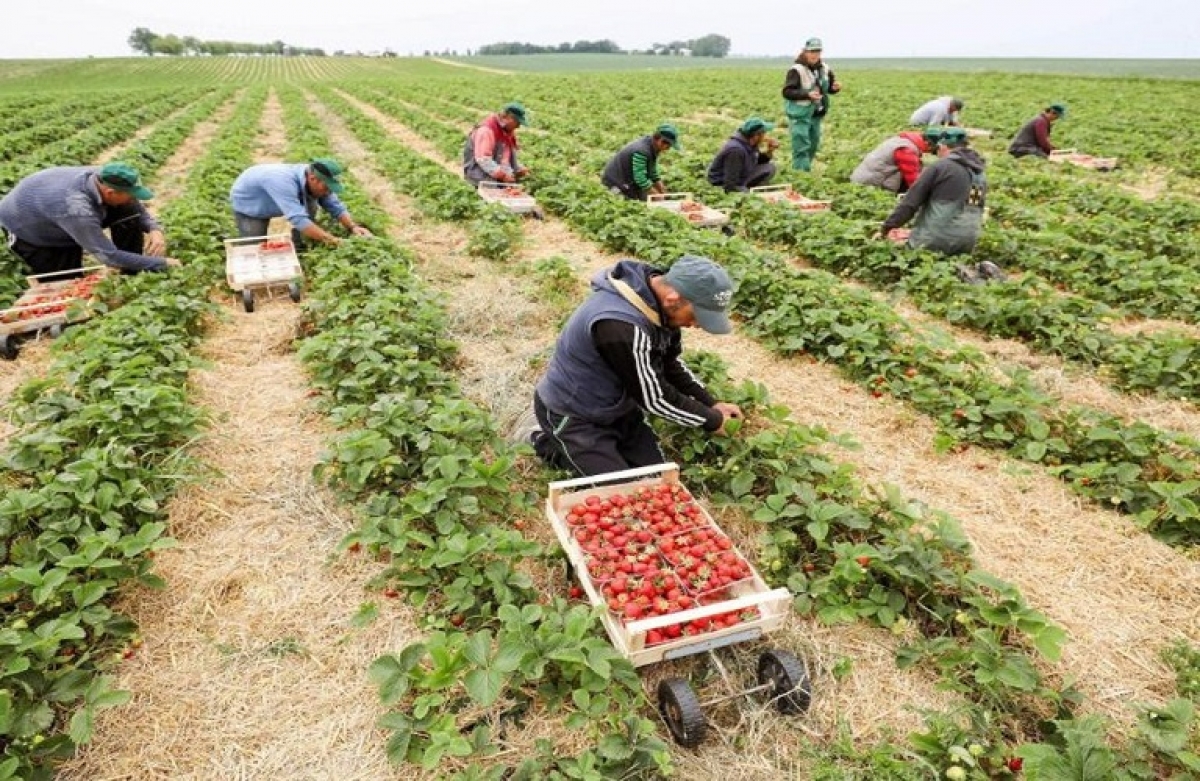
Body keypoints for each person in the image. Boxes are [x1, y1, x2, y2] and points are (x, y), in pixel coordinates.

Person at [530, 255, 744, 477]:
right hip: (575, 414)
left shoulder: (659, 308)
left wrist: (712, 403)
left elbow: (669, 365)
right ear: (673, 299)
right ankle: (548, 441)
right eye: (696, 316)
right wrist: (712, 421)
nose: (696, 324)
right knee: (620, 493)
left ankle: (596, 452)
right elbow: (654, 397)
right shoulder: (619, 325)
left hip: (617, 410)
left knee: (657, 480)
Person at [0, 162, 180, 275]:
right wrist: (161, 263)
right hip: (31, 230)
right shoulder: (77, 210)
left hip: (55, 210)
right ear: (110, 193)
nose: (135, 198)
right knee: (64, 283)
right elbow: (109, 257)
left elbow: (135, 207)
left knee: (128, 210)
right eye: (131, 194)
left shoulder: (103, 176)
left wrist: (154, 229)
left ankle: (132, 273)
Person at [879, 128, 990, 259]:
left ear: (943, 146)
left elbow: (910, 203)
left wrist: (887, 228)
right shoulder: (980, 174)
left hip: (933, 242)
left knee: (898, 249)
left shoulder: (941, 167)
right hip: (967, 243)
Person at [229, 158, 372, 247]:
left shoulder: (315, 179)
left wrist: (353, 227)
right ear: (312, 178)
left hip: (281, 195)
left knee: (311, 205)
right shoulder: (282, 181)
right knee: (254, 248)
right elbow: (298, 219)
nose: (329, 191)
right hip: (251, 204)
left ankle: (300, 246)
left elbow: (335, 206)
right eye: (327, 187)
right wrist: (335, 241)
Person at [781, 37, 841, 172]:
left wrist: (835, 88)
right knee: (801, 146)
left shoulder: (825, 68)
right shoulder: (796, 70)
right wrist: (807, 94)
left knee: (813, 145)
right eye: (812, 51)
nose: (814, 54)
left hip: (816, 114)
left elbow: (829, 88)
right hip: (800, 114)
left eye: (817, 51)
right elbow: (787, 92)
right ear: (805, 52)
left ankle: (804, 170)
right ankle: (800, 175)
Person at [850, 127, 946, 194]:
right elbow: (913, 180)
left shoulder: (904, 140)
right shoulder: (907, 150)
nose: (930, 152)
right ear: (928, 143)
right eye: (933, 148)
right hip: (867, 184)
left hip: (862, 176)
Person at [601, 123, 680, 201]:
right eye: (669, 145)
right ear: (661, 141)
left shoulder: (653, 146)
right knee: (629, 205)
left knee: (646, 197)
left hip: (628, 180)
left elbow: (652, 173)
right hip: (614, 183)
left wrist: (663, 191)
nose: (669, 148)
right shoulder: (642, 151)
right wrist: (657, 196)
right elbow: (640, 179)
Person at [463, 102, 530, 187]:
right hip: (479, 177)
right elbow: (484, 160)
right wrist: (503, 176)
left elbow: (504, 159)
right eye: (518, 123)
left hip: (494, 176)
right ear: (509, 118)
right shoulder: (487, 131)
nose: (518, 126)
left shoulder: (506, 132)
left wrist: (518, 169)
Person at [706, 117, 780, 192]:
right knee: (744, 191)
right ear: (756, 136)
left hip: (741, 172)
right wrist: (750, 195)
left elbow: (758, 161)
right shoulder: (735, 150)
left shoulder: (750, 143)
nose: (765, 136)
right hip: (721, 181)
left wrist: (770, 150)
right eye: (764, 133)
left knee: (770, 167)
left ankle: (748, 187)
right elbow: (730, 182)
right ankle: (747, 188)